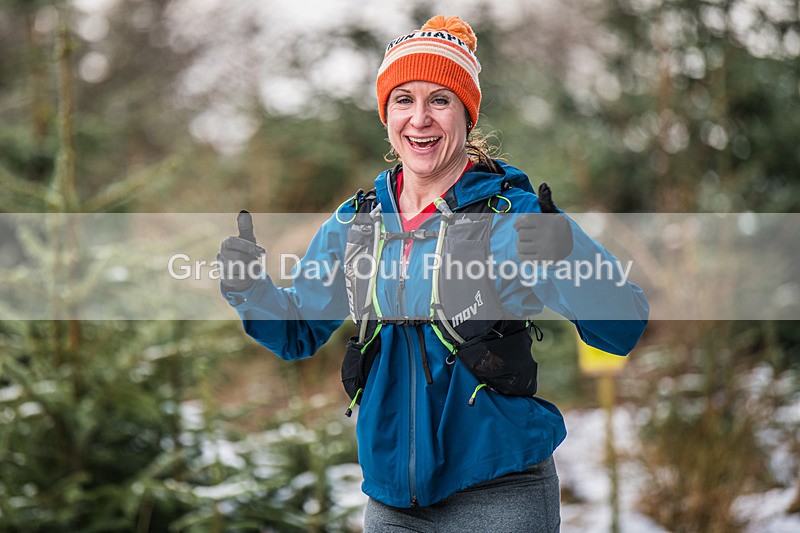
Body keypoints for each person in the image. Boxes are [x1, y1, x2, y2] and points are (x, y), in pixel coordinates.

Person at [217, 15, 649, 532]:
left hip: (500, 492)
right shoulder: (356, 223)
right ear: (386, 115)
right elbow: (297, 331)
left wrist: (569, 256)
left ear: (466, 115)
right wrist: (249, 288)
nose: (419, 118)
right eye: (404, 99)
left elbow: (622, 328)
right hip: (392, 505)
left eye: (439, 100)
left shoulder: (515, 217)